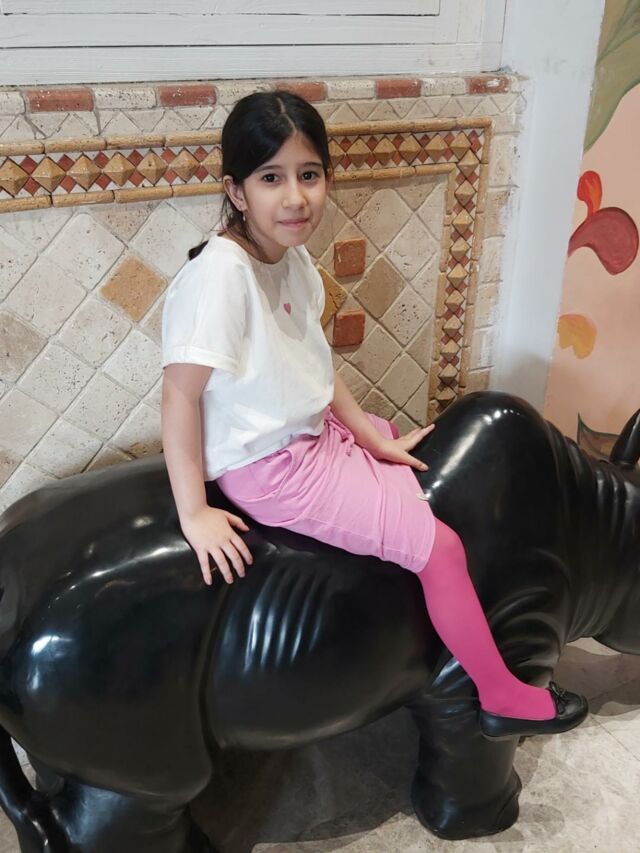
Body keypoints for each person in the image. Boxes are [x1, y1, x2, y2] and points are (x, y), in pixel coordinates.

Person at [161, 90, 587, 741]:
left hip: (307, 437)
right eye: (271, 178)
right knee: (441, 548)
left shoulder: (290, 259)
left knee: (405, 454)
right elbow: (179, 395)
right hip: (273, 468)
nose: (295, 197)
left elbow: (314, 360)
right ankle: (502, 696)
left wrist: (365, 434)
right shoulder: (220, 277)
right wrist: (194, 513)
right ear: (235, 191)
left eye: (309, 174)